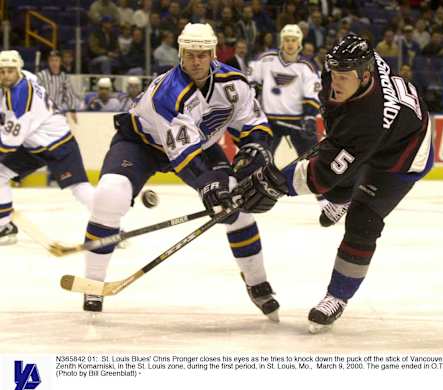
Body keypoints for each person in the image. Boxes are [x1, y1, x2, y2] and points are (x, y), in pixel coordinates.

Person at [81, 23, 280, 324]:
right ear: (180, 53)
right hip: (141, 144)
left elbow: (253, 125)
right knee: (110, 194)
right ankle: (93, 283)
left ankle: (257, 282)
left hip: (199, 146)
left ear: (213, 54)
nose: (196, 61)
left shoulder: (234, 83)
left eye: (202, 54)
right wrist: (208, 187)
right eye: (190, 54)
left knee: (238, 205)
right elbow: (184, 157)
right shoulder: (169, 93)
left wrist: (254, 151)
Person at [235, 34, 434, 332]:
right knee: (343, 172)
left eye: (344, 77)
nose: (336, 82)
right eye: (334, 73)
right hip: (372, 134)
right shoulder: (350, 66)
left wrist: (274, 183)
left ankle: (337, 296)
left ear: (365, 75)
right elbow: (337, 144)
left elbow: (321, 174)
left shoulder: (369, 119)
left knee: (363, 220)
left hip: (402, 156)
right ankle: (341, 198)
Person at [0, 50, 94, 244]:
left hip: (58, 143)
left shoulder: (19, 99)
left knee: (79, 188)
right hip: (33, 143)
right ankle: (4, 227)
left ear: (17, 70)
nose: (6, 75)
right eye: (2, 71)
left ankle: (108, 225)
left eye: (10, 71)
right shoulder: (26, 76)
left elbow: (8, 145)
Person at [248, 24, 321, 161]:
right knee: (258, 160)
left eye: (293, 40)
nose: (290, 44)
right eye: (287, 40)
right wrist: (253, 108)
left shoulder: (307, 66)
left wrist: (309, 117)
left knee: (312, 159)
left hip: (297, 121)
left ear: (299, 43)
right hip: (269, 120)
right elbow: (249, 84)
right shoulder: (265, 59)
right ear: (282, 41)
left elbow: (312, 94)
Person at [37, 50, 78, 124]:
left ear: (60, 62)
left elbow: (69, 94)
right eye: (51, 60)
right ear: (48, 62)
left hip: (58, 111)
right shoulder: (41, 76)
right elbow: (37, 94)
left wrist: (72, 109)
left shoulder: (64, 77)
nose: (54, 63)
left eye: (56, 60)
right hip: (43, 111)